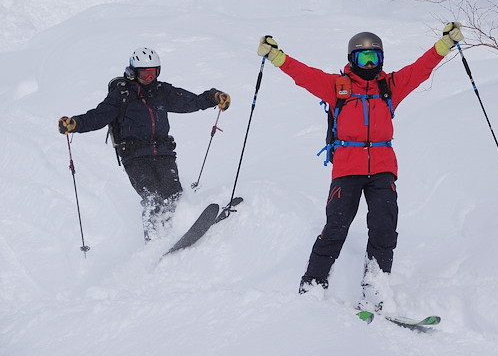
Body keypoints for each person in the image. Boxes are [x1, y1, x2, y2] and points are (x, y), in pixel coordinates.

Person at [256, 23, 464, 311]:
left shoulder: (389, 86)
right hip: (347, 169)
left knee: (384, 227)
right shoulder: (337, 87)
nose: (369, 64)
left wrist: (445, 45)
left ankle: (375, 287)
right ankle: (313, 283)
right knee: (335, 227)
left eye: (374, 58)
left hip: (382, 169)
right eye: (363, 58)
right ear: (352, 60)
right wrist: (276, 56)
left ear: (382, 60)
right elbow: (304, 75)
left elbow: (420, 70)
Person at [57, 47, 231, 242]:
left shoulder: (161, 91)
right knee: (153, 197)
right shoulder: (121, 95)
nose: (149, 78)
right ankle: (155, 241)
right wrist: (75, 124)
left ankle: (178, 230)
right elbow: (98, 116)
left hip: (164, 152)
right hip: (135, 156)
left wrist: (212, 97)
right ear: (133, 72)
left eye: (153, 73)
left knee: (174, 194)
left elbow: (189, 101)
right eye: (144, 74)